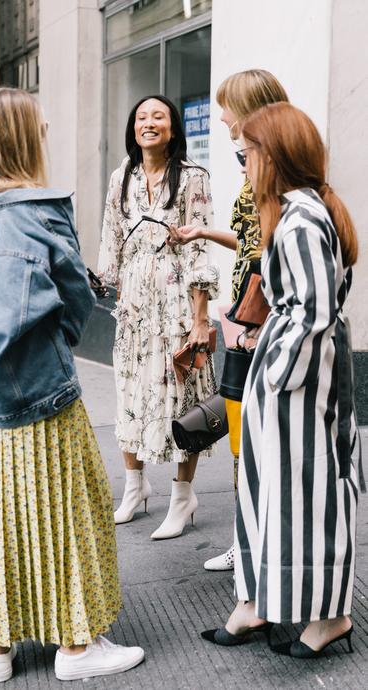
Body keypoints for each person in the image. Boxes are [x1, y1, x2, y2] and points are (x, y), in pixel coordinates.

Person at [0, 87, 144, 683]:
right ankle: (75, 646)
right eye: (38, 129)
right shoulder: (42, 211)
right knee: (65, 515)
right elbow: (76, 302)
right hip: (43, 394)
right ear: (21, 139)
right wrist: (53, 344)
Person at [201, 101, 361, 657]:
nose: (242, 158)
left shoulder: (299, 219)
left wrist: (272, 371)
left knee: (301, 491)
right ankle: (270, 603)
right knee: (289, 490)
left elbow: (311, 311)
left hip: (300, 379)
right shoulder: (306, 211)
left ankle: (318, 613)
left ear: (274, 155)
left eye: (248, 150)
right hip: (305, 373)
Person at [168, 69, 288, 571]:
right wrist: (207, 233)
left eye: (227, 107)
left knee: (256, 435)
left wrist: (251, 321)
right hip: (245, 316)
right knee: (241, 433)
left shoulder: (274, 165)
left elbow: (273, 249)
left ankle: (258, 541)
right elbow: (249, 244)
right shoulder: (255, 161)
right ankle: (248, 536)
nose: (221, 117)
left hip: (258, 322)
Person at [98, 95, 219, 540]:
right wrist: (99, 284)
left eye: (159, 117)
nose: (149, 123)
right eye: (142, 117)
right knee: (129, 390)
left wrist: (200, 318)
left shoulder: (192, 178)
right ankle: (135, 487)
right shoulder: (120, 178)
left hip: (176, 300)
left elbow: (201, 248)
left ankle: (183, 496)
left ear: (172, 129)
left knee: (181, 399)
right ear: (133, 127)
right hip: (133, 302)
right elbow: (110, 239)